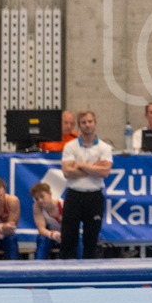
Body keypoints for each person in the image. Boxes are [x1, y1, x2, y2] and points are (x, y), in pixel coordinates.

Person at [59, 110, 113, 259]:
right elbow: (67, 172)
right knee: (69, 238)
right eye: (83, 122)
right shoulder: (70, 146)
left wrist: (81, 165)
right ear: (79, 125)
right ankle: (66, 274)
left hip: (94, 196)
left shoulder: (104, 148)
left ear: (95, 123)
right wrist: (93, 167)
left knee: (91, 239)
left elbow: (105, 173)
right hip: (74, 195)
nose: (87, 125)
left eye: (90, 122)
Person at [30, 182, 63, 260]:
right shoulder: (37, 207)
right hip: (51, 237)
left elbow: (73, 226)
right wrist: (53, 235)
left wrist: (64, 236)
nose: (40, 201)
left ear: (50, 194)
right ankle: (38, 267)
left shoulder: (63, 205)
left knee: (78, 238)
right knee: (42, 239)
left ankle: (82, 266)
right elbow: (41, 229)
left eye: (42, 196)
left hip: (66, 235)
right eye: (37, 199)